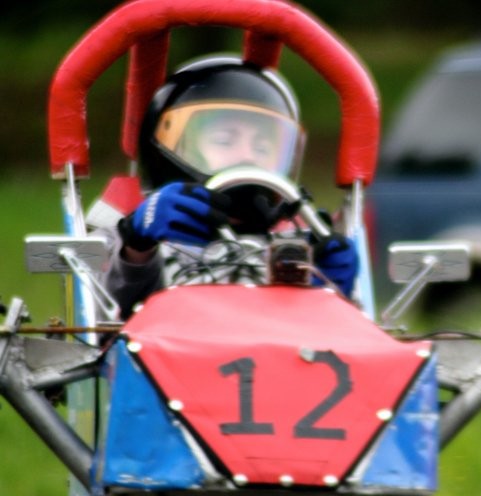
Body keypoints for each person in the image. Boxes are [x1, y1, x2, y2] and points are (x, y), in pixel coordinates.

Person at [97, 55, 358, 318]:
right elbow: (99, 317)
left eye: (262, 147)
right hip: (162, 340)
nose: (248, 156)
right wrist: (137, 248)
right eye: (224, 141)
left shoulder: (298, 242)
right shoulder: (132, 227)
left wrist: (330, 295)